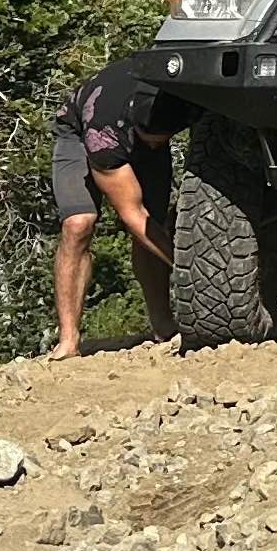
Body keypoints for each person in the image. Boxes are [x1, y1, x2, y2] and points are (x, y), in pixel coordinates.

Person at [50, 48, 182, 358]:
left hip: (133, 124)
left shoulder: (175, 98)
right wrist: (190, 269)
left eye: (164, 138)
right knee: (78, 224)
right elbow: (132, 215)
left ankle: (163, 324)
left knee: (155, 226)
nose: (158, 144)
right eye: (153, 138)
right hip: (78, 132)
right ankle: (69, 339)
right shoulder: (103, 136)